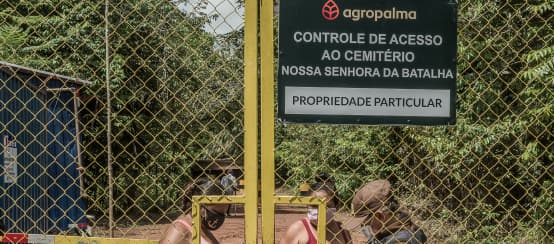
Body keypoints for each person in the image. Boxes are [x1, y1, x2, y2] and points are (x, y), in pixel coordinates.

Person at [345, 179, 427, 244]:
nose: (364, 227)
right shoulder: (403, 227)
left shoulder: (402, 240)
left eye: (366, 223)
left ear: (379, 216)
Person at [160, 177, 230, 244]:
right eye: (216, 212)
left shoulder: (201, 226)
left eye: (223, 213)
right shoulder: (179, 229)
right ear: (200, 206)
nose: (220, 217)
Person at [280, 181, 352, 244]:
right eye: (314, 205)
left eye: (327, 206)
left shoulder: (343, 231)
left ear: (337, 206)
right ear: (307, 205)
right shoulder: (296, 230)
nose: (320, 210)